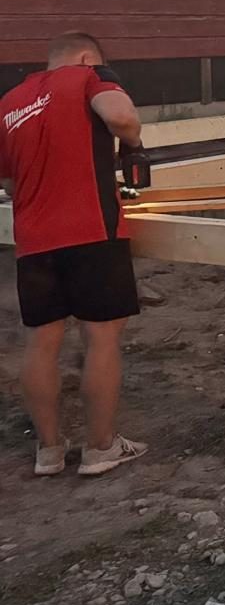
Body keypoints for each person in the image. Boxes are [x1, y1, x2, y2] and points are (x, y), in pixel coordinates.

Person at [1, 32, 148, 476]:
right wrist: (133, 142)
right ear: (87, 58)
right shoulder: (90, 77)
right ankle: (100, 448)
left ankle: (48, 451)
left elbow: (8, 183)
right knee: (101, 336)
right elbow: (122, 117)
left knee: (40, 343)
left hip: (32, 239)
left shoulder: (9, 101)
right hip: (90, 231)